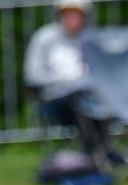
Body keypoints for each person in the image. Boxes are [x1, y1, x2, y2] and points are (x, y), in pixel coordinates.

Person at [23, 0, 92, 138]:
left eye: (76, 14)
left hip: (90, 96)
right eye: (67, 14)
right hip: (56, 97)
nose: (72, 19)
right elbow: (32, 75)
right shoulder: (45, 38)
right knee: (81, 105)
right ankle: (93, 150)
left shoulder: (90, 39)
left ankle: (98, 149)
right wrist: (66, 80)